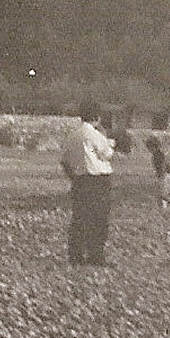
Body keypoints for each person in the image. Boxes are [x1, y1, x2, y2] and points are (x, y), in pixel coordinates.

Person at [60, 101, 116, 266]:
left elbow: (64, 161)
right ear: (97, 117)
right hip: (98, 180)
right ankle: (95, 255)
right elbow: (107, 154)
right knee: (99, 219)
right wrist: (105, 137)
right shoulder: (95, 135)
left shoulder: (73, 135)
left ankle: (75, 256)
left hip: (80, 180)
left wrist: (74, 178)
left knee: (79, 218)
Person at [145, 136, 170, 210]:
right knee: (160, 193)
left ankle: (166, 207)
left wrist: (162, 175)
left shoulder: (158, 155)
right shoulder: (157, 155)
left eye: (150, 148)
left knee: (163, 194)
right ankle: (162, 207)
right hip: (160, 175)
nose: (149, 150)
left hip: (163, 175)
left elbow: (163, 165)